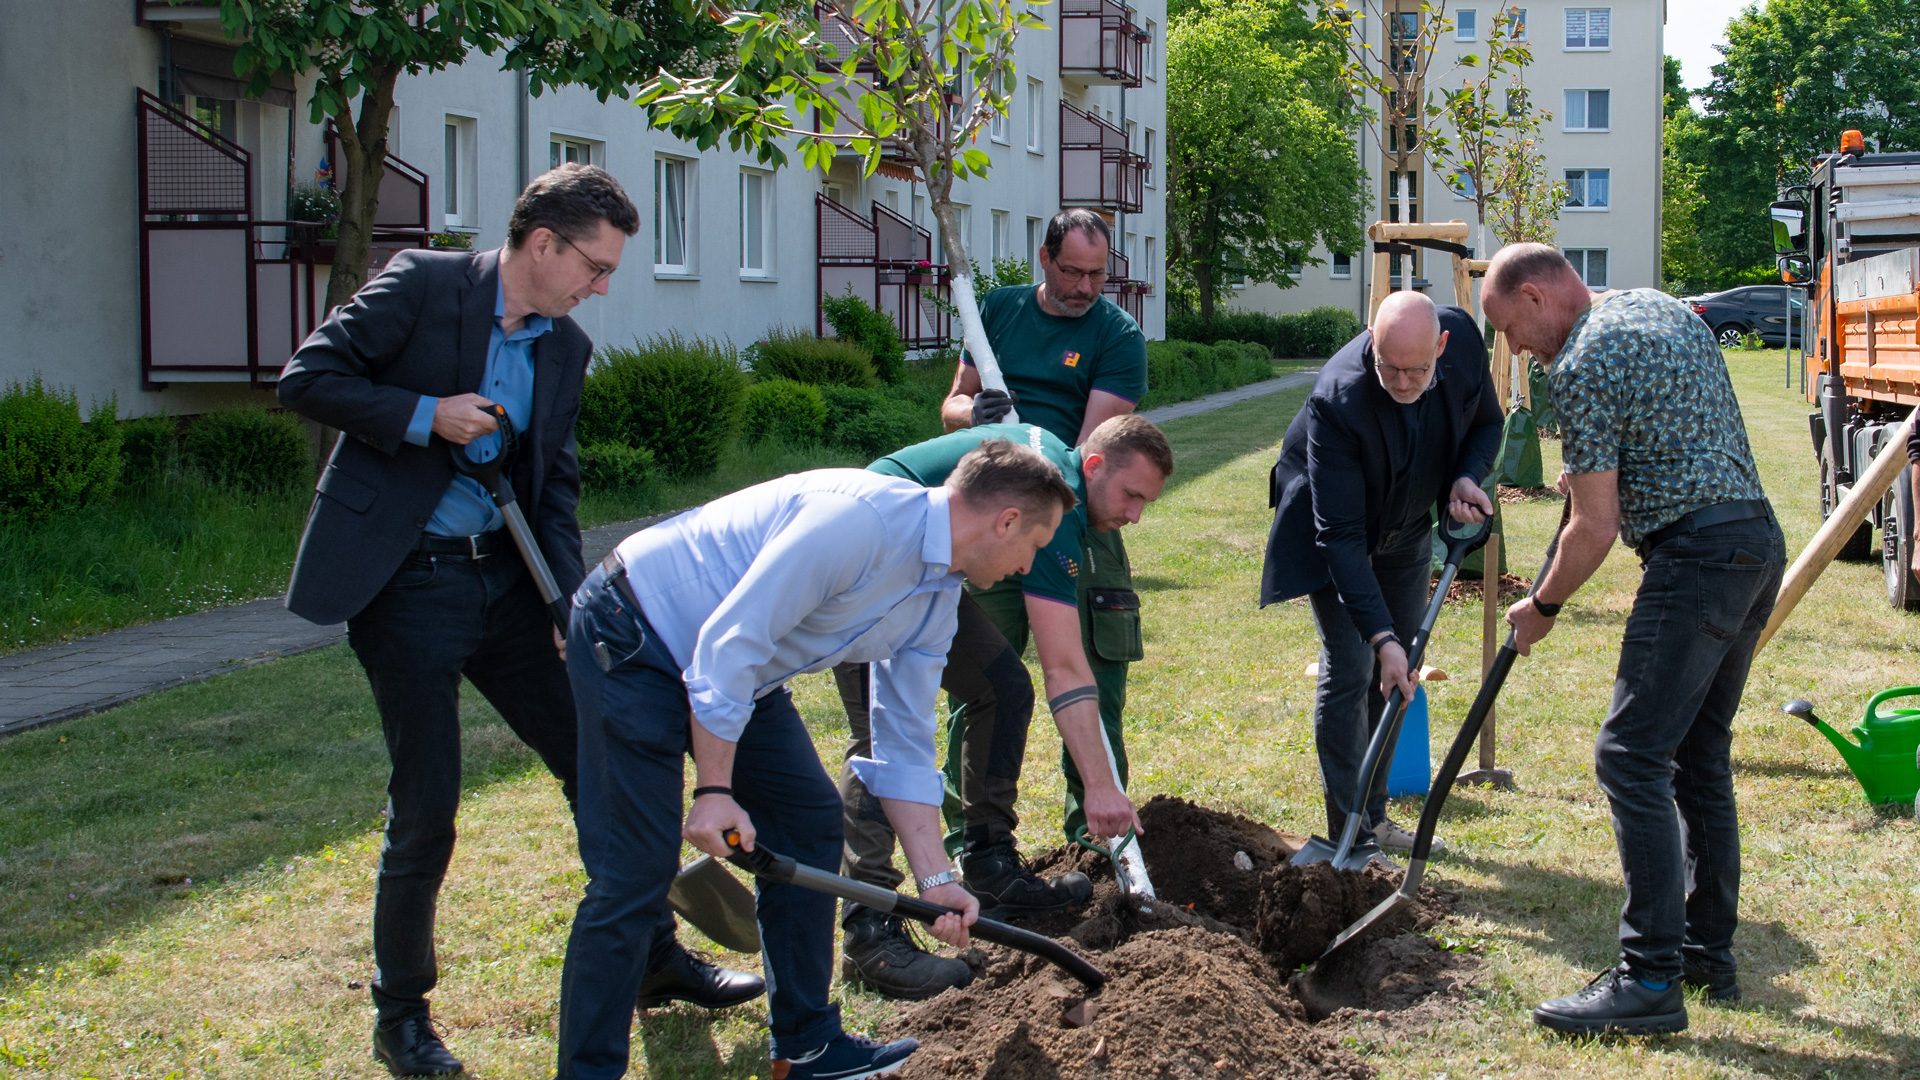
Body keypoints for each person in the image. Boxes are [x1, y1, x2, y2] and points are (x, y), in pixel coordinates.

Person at [277, 164, 759, 1078]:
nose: (602, 286)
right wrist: (428, 415)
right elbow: (309, 378)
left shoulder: (562, 349)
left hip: (504, 585)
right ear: (543, 242)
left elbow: (553, 483)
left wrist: (564, 605)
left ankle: (651, 956)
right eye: (596, 265)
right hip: (405, 585)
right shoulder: (424, 286)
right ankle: (402, 1015)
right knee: (428, 807)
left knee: (601, 765)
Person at [555, 443, 1077, 1080]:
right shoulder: (857, 520)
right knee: (633, 873)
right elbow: (726, 645)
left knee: (807, 823)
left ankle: (805, 1046)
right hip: (636, 630)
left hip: (747, 671)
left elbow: (902, 741)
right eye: (1035, 545)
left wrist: (936, 880)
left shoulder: (937, 595)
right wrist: (714, 789)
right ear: (1007, 521)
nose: (1028, 566)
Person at [1483, 243, 1785, 1036]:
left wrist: (1541, 603)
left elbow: (1595, 526)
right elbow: (1663, 435)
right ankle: (1704, 953)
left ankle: (1649, 977)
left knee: (1630, 755)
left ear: (1541, 295)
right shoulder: (1655, 305)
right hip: (1756, 542)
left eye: (1510, 327)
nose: (1513, 349)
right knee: (1697, 751)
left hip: (1697, 560)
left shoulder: (1578, 364)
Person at [834, 417, 1172, 999]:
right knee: (881, 741)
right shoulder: (1053, 509)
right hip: (866, 561)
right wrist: (1098, 784)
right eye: (1131, 495)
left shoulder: (1050, 480)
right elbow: (1065, 665)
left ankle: (987, 864)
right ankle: (870, 929)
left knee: (1002, 688)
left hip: (927, 569)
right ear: (1093, 467)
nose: (1136, 516)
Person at [1259, 292, 1501, 856]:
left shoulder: (1462, 341)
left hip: (1409, 526)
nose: (1401, 380)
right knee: (1354, 665)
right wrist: (1382, 636)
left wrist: (1466, 477)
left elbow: (1487, 423)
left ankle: (1374, 815)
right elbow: (1340, 539)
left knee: (1399, 672)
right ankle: (1350, 829)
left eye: (1417, 369)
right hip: (1338, 530)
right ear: (1371, 338)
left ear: (1441, 347)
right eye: (1388, 366)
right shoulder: (1338, 399)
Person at [939, 208, 1149, 849]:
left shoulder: (1118, 335)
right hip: (993, 531)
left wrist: (1024, 451)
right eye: (1072, 272)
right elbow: (950, 407)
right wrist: (976, 415)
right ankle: (970, 842)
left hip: (1080, 527)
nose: (1085, 287)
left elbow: (1092, 456)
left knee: (1092, 679)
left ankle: (1091, 840)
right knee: (981, 688)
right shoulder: (997, 312)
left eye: (1097, 274)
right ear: (1045, 258)